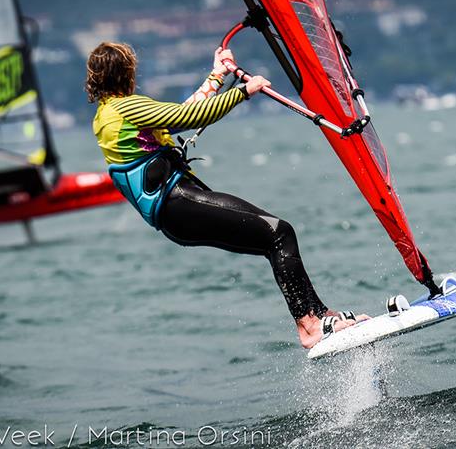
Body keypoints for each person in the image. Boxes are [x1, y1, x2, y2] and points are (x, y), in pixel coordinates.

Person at [88, 42, 369, 348]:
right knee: (279, 234)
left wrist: (217, 75)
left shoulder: (106, 116)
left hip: (175, 215)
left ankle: (319, 315)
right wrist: (242, 93)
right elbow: (187, 116)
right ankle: (310, 324)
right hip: (179, 202)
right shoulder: (126, 107)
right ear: (127, 72)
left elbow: (183, 110)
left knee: (271, 239)